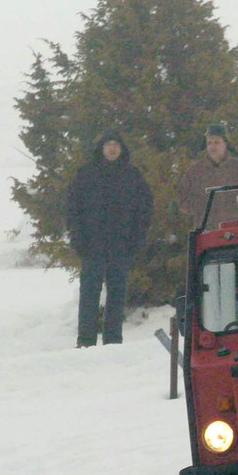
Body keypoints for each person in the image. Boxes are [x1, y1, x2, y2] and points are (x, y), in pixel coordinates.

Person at [66, 129, 153, 347]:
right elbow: (72, 209)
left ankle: (113, 340)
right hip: (91, 245)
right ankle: (85, 340)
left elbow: (144, 211)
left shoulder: (133, 176)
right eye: (108, 144)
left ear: (122, 149)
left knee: (117, 294)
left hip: (121, 245)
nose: (112, 148)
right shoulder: (86, 174)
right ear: (101, 148)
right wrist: (77, 239)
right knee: (89, 294)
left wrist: (137, 240)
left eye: (116, 144)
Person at [176, 122, 238, 229]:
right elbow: (182, 199)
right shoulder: (194, 172)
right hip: (207, 233)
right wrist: (204, 204)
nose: (212, 146)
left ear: (225, 144)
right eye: (209, 143)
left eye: (217, 142)